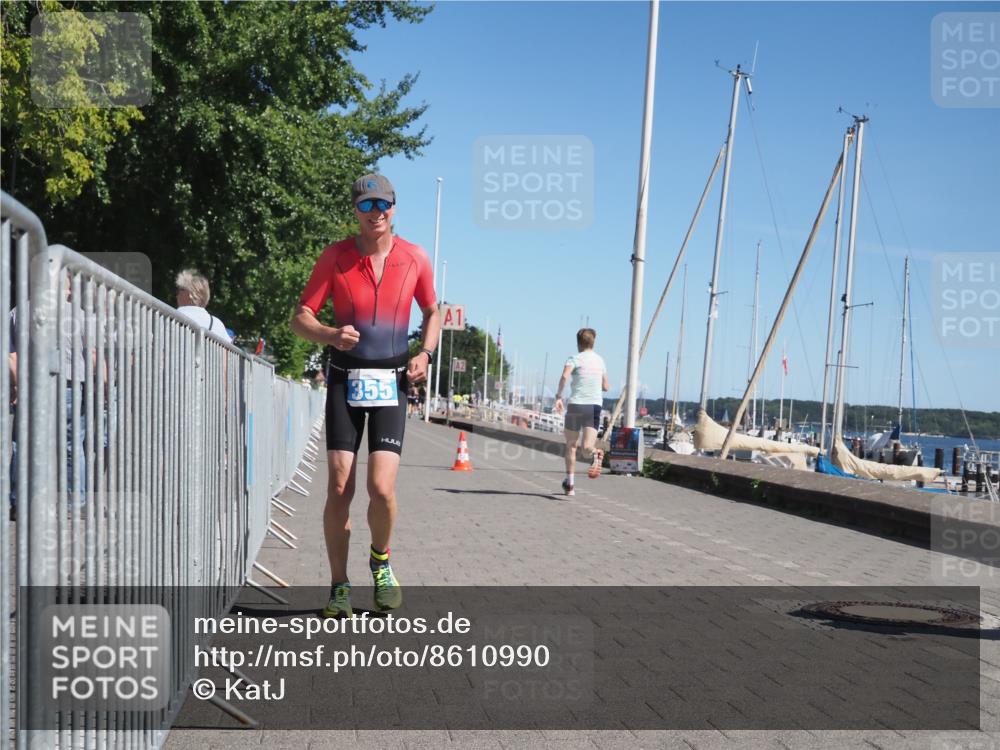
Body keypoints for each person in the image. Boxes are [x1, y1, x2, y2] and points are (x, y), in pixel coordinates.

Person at [290, 173, 439, 618]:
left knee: (381, 487)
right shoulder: (335, 257)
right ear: (354, 210)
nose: (375, 214)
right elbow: (301, 318)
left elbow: (433, 310)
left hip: (392, 382)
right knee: (339, 487)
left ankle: (381, 561)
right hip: (344, 378)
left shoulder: (415, 258)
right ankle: (338, 585)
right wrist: (331, 334)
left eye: (383, 205)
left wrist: (426, 353)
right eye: (366, 206)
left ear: (394, 208)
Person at [553, 328, 609, 496]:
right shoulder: (600, 361)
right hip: (594, 407)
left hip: (576, 405)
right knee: (586, 447)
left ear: (578, 343)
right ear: (593, 342)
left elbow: (564, 376)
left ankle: (570, 485)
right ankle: (595, 453)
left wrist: (558, 396)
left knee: (571, 445)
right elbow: (606, 386)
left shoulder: (574, 358)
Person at [175, 270, 232, 342]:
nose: (176, 295)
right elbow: (225, 352)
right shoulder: (217, 324)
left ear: (189, 294)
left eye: (179, 290)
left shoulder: (166, 316)